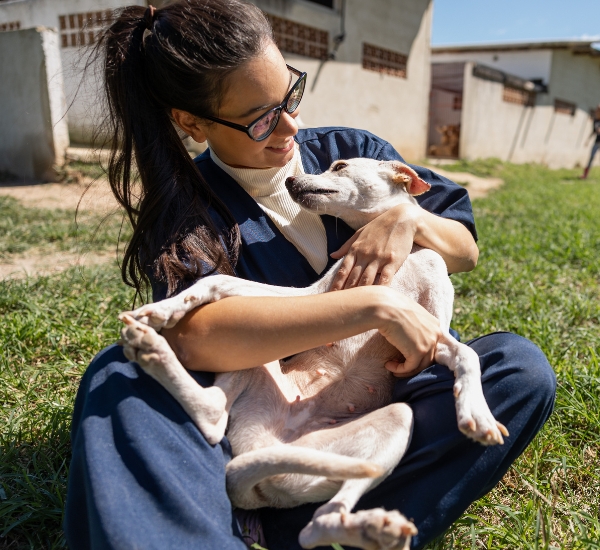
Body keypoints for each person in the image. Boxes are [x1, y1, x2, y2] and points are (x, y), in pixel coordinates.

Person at [63, 1, 556, 549]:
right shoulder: (188, 205)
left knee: (517, 370)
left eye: (290, 96)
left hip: (380, 403)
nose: (291, 126)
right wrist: (375, 306)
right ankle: (206, 531)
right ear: (191, 122)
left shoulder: (352, 152)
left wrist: (406, 216)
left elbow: (464, 248)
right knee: (121, 376)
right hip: (264, 419)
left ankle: (305, 532)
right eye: (260, 118)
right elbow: (196, 336)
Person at [581, 104, 600, 179]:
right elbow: (593, 131)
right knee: (591, 158)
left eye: (598, 110)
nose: (597, 111)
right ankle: (585, 175)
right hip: (597, 142)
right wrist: (588, 140)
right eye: (597, 110)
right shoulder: (595, 121)